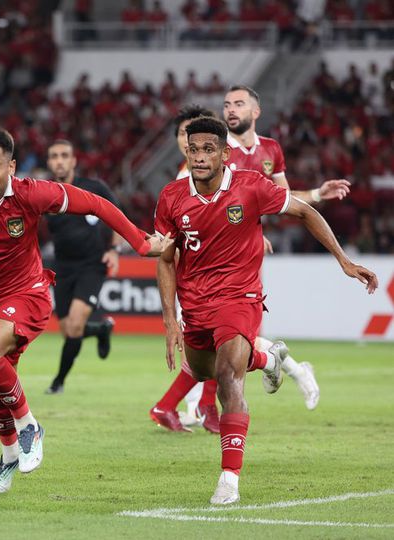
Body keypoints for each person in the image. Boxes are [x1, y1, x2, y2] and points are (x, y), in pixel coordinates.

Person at [0, 126, 172, 493]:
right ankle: (9, 454)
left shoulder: (32, 193)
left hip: (27, 293)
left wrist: (141, 243)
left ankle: (29, 425)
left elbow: (96, 203)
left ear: (11, 167)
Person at [155, 117, 377, 505]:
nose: (201, 157)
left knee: (227, 377)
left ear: (225, 153)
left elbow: (305, 212)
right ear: (185, 152)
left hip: (239, 297)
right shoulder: (171, 197)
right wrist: (171, 319)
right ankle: (268, 356)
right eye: (194, 150)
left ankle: (229, 479)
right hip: (195, 303)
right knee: (204, 369)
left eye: (209, 149)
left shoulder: (251, 186)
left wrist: (343, 260)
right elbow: (166, 259)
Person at [222, 84, 351, 408]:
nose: (231, 110)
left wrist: (318, 194)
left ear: (256, 111)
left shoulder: (271, 149)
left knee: (221, 334)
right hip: (224, 243)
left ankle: (195, 409)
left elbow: (285, 200)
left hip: (241, 251)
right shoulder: (216, 149)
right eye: (226, 105)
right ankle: (289, 367)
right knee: (217, 334)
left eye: (239, 103)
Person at [43, 139, 125, 395]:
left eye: (64, 155)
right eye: (54, 156)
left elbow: (118, 218)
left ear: (73, 161)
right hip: (62, 268)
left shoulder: (93, 187)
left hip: (92, 265)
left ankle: (58, 382)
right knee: (68, 330)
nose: (59, 160)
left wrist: (114, 250)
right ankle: (101, 329)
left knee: (75, 326)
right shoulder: (43, 192)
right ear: (49, 162)